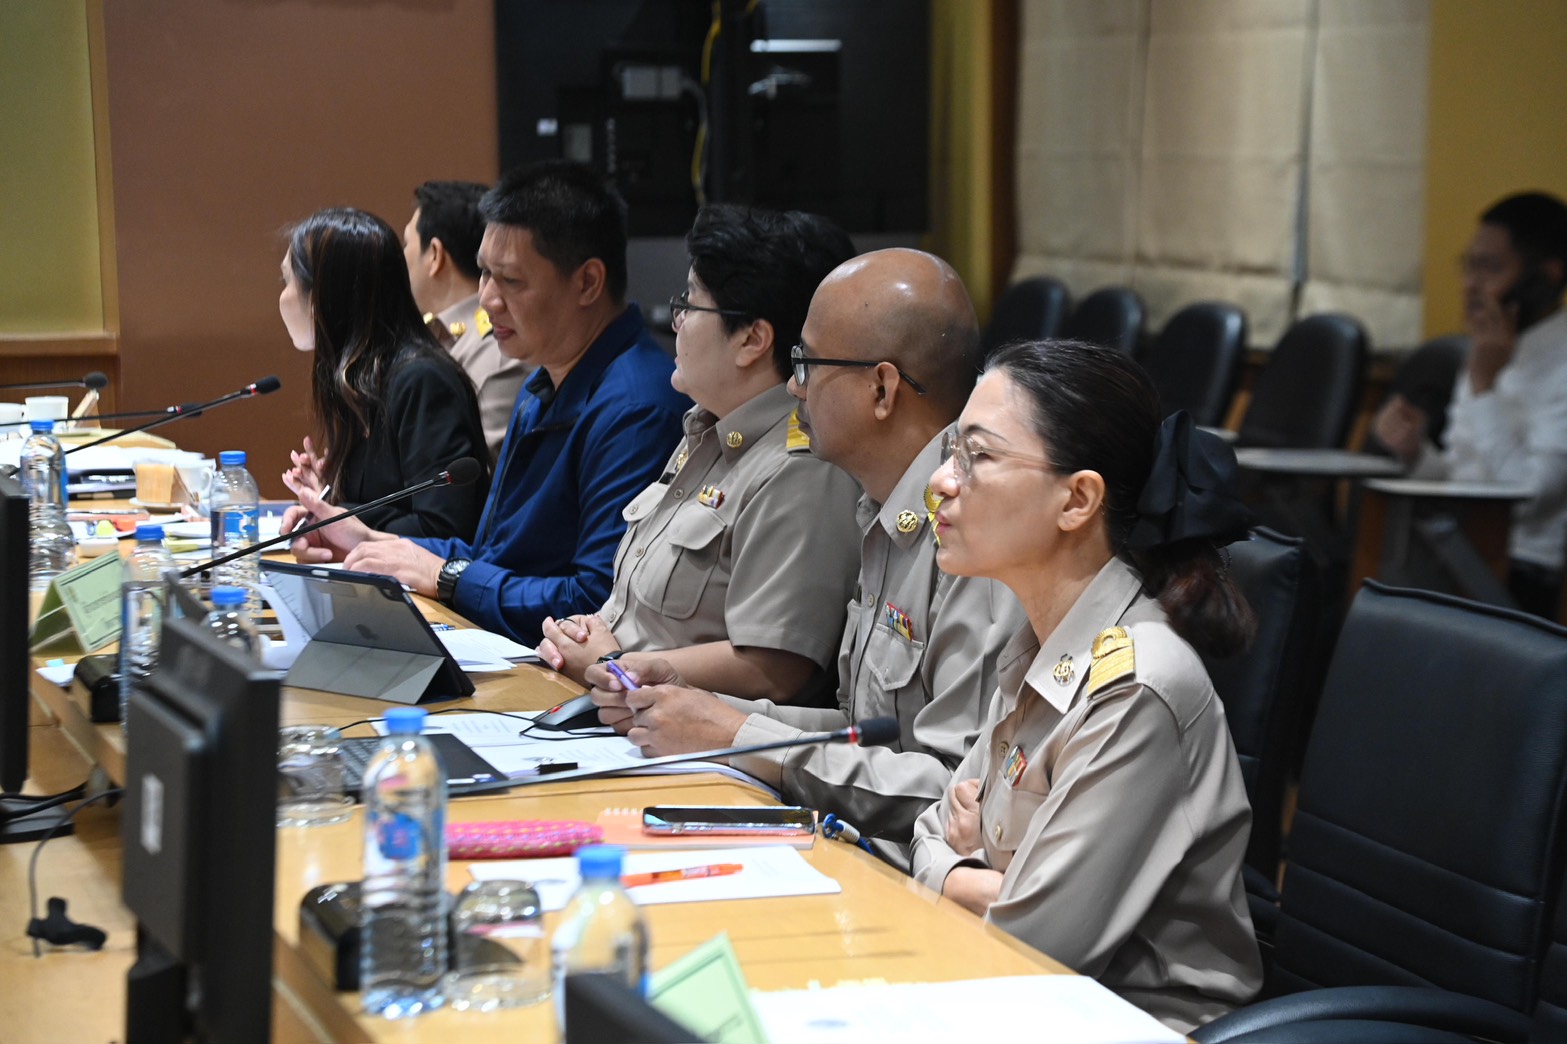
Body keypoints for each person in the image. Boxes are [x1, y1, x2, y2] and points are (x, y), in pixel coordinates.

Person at [583, 248, 1030, 865]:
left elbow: (950, 786)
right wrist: (701, 707)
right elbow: (864, 732)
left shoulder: (971, 534)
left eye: (808, 363)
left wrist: (739, 736)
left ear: (882, 388)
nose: (794, 385)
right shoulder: (881, 508)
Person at [908, 339, 1262, 1032]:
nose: (942, 481)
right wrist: (972, 874)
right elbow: (927, 826)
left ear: (1077, 499)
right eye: (952, 451)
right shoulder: (1038, 640)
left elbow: (1032, 946)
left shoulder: (1136, 686)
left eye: (977, 456)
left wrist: (957, 866)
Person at [283, 161, 691, 643]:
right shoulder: (542, 382)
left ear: (587, 283)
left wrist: (448, 577)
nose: (487, 300)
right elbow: (493, 552)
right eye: (483, 274)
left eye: (511, 281)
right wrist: (367, 540)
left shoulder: (635, 405)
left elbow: (598, 600)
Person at [533, 204, 863, 703]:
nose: (677, 319)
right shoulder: (707, 428)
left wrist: (612, 666)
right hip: (614, 709)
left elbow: (774, 668)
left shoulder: (800, 468)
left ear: (752, 339)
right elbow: (639, 614)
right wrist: (583, 633)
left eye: (690, 303)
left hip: (702, 752)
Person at [1373, 191, 1567, 617]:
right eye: (1469, 265)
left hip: (1523, 571)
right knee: (1371, 582)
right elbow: (1462, 476)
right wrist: (1416, 453)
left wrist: (1483, 388)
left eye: (1490, 268)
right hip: (1458, 548)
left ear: (1546, 278)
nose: (1470, 285)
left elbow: (1529, 497)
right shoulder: (1490, 348)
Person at [276, 207, 489, 539]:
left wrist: (339, 518)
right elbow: (383, 507)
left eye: (287, 279)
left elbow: (443, 529)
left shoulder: (422, 381)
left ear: (322, 294)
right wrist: (326, 503)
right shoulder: (358, 378)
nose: (282, 296)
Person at [402, 180, 528, 458]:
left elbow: (476, 473)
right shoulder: (428, 334)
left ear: (434, 254)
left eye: (407, 243)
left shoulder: (499, 345)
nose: (402, 258)